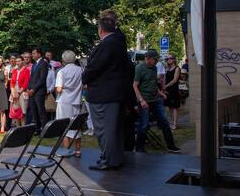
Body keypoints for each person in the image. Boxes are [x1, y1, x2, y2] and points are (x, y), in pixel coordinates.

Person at [81, 11, 129, 171]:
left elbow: (94, 67)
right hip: (115, 93)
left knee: (104, 129)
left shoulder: (107, 45)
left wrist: (85, 79)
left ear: (100, 30)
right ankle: (114, 157)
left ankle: (108, 159)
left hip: (103, 94)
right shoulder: (120, 42)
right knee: (114, 129)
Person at [133, 50, 181, 153]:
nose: (156, 62)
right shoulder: (139, 68)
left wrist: (160, 93)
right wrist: (141, 100)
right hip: (145, 100)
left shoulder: (154, 68)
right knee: (144, 124)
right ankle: (139, 148)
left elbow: (153, 84)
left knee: (164, 121)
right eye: (154, 59)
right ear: (148, 58)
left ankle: (170, 146)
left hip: (155, 99)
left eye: (156, 60)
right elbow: (135, 86)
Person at [55, 50, 84, 157]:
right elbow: (84, 85)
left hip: (64, 102)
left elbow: (59, 89)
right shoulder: (80, 70)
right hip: (76, 100)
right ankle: (77, 150)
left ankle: (66, 150)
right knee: (76, 126)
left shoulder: (61, 72)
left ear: (63, 60)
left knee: (64, 126)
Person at [27, 47, 48, 133]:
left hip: (39, 92)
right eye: (32, 53)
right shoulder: (34, 64)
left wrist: (34, 89)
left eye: (34, 53)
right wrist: (29, 89)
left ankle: (45, 129)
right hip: (32, 92)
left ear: (39, 54)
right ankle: (37, 128)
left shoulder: (43, 63)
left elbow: (42, 79)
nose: (32, 55)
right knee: (34, 111)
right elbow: (32, 78)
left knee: (41, 111)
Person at [163, 54, 181, 130]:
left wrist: (166, 86)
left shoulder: (177, 68)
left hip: (174, 89)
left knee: (174, 107)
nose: (168, 60)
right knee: (170, 107)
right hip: (168, 90)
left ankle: (175, 123)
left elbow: (175, 80)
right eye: (167, 59)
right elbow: (164, 79)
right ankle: (171, 122)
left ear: (174, 59)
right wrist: (164, 88)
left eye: (170, 58)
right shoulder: (167, 69)